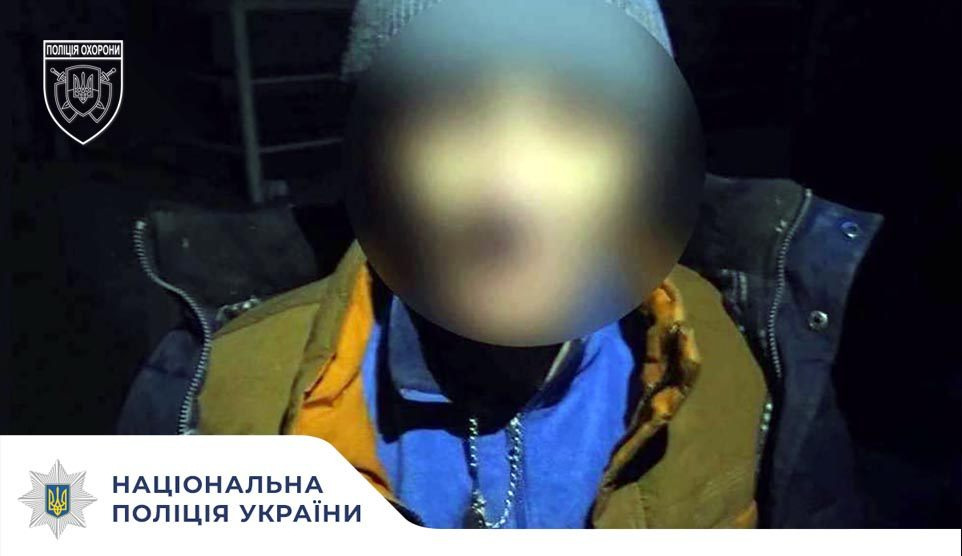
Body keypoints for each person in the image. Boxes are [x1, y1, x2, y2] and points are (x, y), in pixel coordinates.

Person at [119, 0, 882, 529]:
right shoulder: (220, 403)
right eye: (448, 119)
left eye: (580, 119)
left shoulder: (755, 362)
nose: (512, 197)